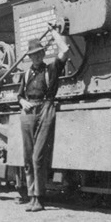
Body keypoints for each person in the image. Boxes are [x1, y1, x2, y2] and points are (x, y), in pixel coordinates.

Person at [17, 26, 70, 212]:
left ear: (43, 53)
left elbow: (65, 50)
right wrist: (23, 102)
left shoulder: (52, 68)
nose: (37, 57)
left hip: (46, 108)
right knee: (27, 158)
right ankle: (31, 197)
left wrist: (54, 32)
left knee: (38, 157)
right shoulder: (25, 73)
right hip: (28, 113)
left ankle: (39, 198)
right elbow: (19, 95)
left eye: (39, 53)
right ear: (29, 57)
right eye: (33, 55)